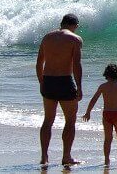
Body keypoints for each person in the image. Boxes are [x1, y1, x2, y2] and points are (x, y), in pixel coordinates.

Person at [36, 13, 85, 167]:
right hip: (65, 81)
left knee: (48, 120)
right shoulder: (75, 39)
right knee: (70, 121)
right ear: (75, 25)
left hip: (48, 81)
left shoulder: (47, 37)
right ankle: (66, 156)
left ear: (62, 23)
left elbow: (39, 63)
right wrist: (79, 87)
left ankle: (44, 157)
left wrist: (42, 83)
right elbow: (76, 65)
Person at [83, 63, 117, 166]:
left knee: (108, 139)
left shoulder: (103, 86)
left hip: (106, 114)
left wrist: (88, 112)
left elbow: (94, 99)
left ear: (106, 74)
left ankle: (106, 160)